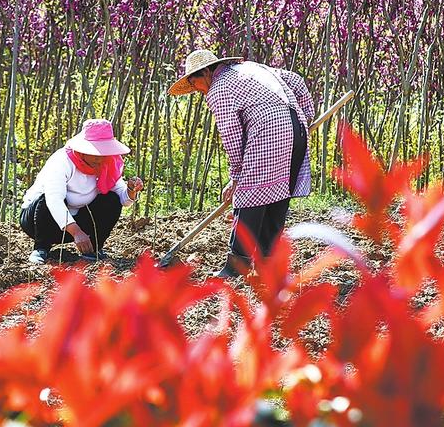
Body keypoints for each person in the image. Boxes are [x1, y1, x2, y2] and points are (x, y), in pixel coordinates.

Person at [168, 49, 314, 278]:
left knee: (249, 196)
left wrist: (236, 177)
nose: (197, 90)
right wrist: (306, 116)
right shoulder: (251, 69)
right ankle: (269, 266)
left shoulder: (219, 88)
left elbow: (232, 135)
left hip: (269, 131)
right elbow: (295, 80)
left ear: (206, 72)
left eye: (195, 83)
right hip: (296, 128)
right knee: (277, 197)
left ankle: (236, 266)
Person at [20, 119, 145, 264]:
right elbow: (54, 200)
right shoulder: (62, 161)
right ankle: (41, 248)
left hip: (79, 220)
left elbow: (123, 198)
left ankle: (93, 249)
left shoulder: (106, 163)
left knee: (111, 199)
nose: (100, 158)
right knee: (47, 199)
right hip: (39, 221)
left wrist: (131, 190)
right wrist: (76, 232)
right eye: (95, 152)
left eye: (103, 153)